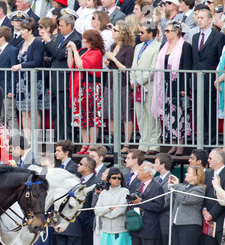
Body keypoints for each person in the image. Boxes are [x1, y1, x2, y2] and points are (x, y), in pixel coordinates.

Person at [152, 20, 192, 157]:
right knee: (169, 115)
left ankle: (180, 144)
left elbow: (187, 67)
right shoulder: (164, 46)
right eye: (165, 31)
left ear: (176, 32)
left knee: (180, 115)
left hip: (178, 84)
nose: (166, 33)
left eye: (168, 31)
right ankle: (173, 143)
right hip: (166, 84)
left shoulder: (185, 46)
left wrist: (185, 88)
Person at [42, 10, 81, 141]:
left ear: (69, 26)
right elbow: (53, 54)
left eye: (62, 25)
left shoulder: (76, 39)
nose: (59, 27)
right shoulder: (59, 37)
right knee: (55, 114)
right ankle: (59, 142)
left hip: (65, 82)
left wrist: (49, 41)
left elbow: (60, 54)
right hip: (54, 81)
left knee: (66, 115)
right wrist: (46, 43)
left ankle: (68, 143)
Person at [128, 161, 165, 245]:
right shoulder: (137, 186)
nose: (139, 172)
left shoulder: (156, 187)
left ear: (149, 173)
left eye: (142, 170)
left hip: (150, 227)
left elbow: (159, 206)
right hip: (136, 226)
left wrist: (141, 203)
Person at [95, 167, 134, 245]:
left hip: (120, 230)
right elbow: (97, 210)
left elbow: (121, 209)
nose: (117, 180)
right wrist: (108, 210)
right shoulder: (104, 193)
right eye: (114, 178)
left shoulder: (124, 191)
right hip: (106, 230)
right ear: (109, 179)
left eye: (119, 178)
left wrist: (107, 212)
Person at [169, 165, 205, 245]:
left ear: (195, 176)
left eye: (188, 173)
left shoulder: (199, 189)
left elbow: (185, 199)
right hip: (177, 224)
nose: (185, 175)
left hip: (190, 226)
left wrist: (177, 186)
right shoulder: (184, 188)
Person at [192, 8, 225, 146]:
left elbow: (220, 61)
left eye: (203, 18)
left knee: (209, 115)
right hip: (196, 82)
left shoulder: (218, 37)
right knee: (198, 115)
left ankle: (209, 144)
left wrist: (217, 78)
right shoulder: (194, 37)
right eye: (198, 17)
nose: (199, 20)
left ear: (210, 20)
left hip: (210, 82)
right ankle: (201, 142)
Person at [67, 29, 104, 154]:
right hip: (81, 88)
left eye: (85, 39)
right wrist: (70, 51)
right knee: (82, 118)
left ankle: (92, 144)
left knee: (92, 117)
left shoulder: (96, 53)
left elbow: (81, 65)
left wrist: (75, 51)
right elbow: (71, 65)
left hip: (91, 88)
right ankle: (84, 144)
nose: (82, 41)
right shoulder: (82, 51)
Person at [11, 17, 46, 141]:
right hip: (22, 81)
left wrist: (20, 66)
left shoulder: (36, 43)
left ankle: (34, 138)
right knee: (24, 111)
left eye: (23, 30)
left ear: (30, 31)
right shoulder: (21, 44)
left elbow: (36, 61)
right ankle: (26, 138)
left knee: (33, 110)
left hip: (33, 81)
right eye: (21, 30)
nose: (21, 32)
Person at [103, 21, 135, 154]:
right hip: (109, 84)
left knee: (125, 114)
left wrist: (114, 60)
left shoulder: (128, 49)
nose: (113, 32)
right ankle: (113, 140)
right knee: (110, 113)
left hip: (122, 84)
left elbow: (126, 69)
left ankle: (126, 144)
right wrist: (108, 62)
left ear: (122, 33)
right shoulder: (113, 46)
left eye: (115, 30)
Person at [130, 21, 161, 155]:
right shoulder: (138, 46)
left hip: (150, 86)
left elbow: (154, 68)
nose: (139, 34)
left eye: (142, 32)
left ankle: (154, 144)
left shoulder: (158, 46)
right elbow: (133, 66)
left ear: (151, 33)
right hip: (137, 87)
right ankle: (143, 143)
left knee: (152, 115)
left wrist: (139, 81)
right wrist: (133, 81)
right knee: (141, 115)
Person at [199, 148, 225, 245]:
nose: (208, 161)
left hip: (220, 220)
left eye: (210, 158)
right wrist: (204, 211)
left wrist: (212, 214)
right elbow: (202, 194)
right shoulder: (208, 174)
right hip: (207, 221)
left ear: (219, 160)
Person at [77, 156, 99, 245]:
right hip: (77, 223)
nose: (77, 165)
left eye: (80, 164)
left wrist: (87, 222)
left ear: (87, 168)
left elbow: (92, 205)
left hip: (88, 224)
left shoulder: (95, 182)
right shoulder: (77, 180)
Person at [0, 26, 19, 132]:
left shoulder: (13, 50)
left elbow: (14, 71)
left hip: (7, 88)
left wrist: (12, 90)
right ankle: (0, 138)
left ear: (2, 38)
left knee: (10, 115)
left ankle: (15, 139)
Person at [154, 153, 174, 245]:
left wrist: (152, 206)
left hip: (165, 218)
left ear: (163, 164)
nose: (154, 165)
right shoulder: (155, 179)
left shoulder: (171, 179)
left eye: (156, 162)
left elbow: (166, 201)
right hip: (155, 219)